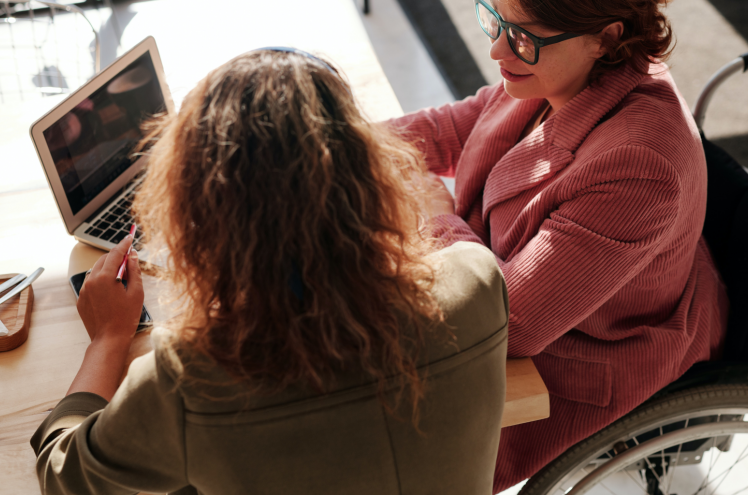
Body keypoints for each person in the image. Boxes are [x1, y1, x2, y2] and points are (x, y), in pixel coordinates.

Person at [30, 49, 510, 495]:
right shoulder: (478, 281)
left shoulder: (191, 379)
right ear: (372, 174)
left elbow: (63, 476)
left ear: (200, 214)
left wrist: (109, 339)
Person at [388, 0, 729, 491]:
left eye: (522, 37)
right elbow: (456, 126)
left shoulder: (639, 162)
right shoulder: (559, 68)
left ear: (607, 38)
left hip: (579, 362)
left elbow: (513, 321)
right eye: (493, 19)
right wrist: (336, 143)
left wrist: (434, 212)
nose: (495, 48)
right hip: (534, 297)